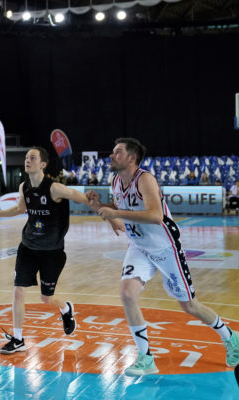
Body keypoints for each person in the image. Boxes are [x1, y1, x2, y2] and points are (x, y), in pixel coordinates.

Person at [86, 137, 239, 376]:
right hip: (139, 247)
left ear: (132, 158)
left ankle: (229, 337)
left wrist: (116, 213)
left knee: (189, 305)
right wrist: (99, 206)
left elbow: (155, 216)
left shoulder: (145, 179)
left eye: (118, 152)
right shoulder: (116, 181)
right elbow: (121, 210)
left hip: (166, 248)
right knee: (127, 294)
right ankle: (146, 358)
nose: (111, 156)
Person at [0, 147, 91, 354]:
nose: (27, 160)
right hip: (28, 247)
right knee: (18, 291)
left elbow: (82, 197)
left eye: (32, 157)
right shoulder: (24, 186)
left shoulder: (55, 188)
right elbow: (20, 209)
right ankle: (18, 339)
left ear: (43, 164)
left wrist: (109, 214)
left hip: (52, 252)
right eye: (26, 157)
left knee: (46, 299)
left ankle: (66, 308)